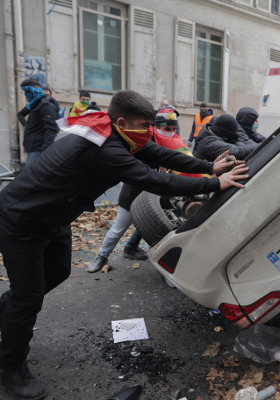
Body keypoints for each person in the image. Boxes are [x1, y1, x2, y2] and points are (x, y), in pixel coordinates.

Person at [0, 90, 249, 399]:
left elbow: (158, 154)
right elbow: (154, 180)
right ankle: (10, 364)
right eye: (145, 125)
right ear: (121, 121)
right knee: (29, 298)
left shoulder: (115, 131)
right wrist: (213, 184)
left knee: (59, 271)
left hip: (53, 217)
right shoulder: (104, 149)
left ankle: (7, 311)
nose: (150, 131)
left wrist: (209, 167)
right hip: (21, 218)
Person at [88, 105, 203, 273]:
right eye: (166, 128)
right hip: (133, 195)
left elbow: (182, 162)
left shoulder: (175, 142)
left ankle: (134, 250)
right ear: (155, 127)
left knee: (151, 227)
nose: (170, 132)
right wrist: (156, 174)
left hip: (155, 198)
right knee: (118, 229)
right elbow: (133, 168)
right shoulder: (142, 141)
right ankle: (102, 256)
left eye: (173, 128)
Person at [17, 78, 59, 166]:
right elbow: (33, 127)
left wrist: (44, 152)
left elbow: (51, 129)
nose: (25, 95)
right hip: (33, 150)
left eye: (26, 92)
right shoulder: (35, 105)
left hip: (39, 151)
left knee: (33, 178)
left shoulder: (46, 105)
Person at [193, 114, 259, 161]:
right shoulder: (208, 141)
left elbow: (240, 145)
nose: (236, 134)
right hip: (206, 177)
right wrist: (261, 146)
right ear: (225, 131)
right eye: (234, 131)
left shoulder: (220, 136)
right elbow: (236, 151)